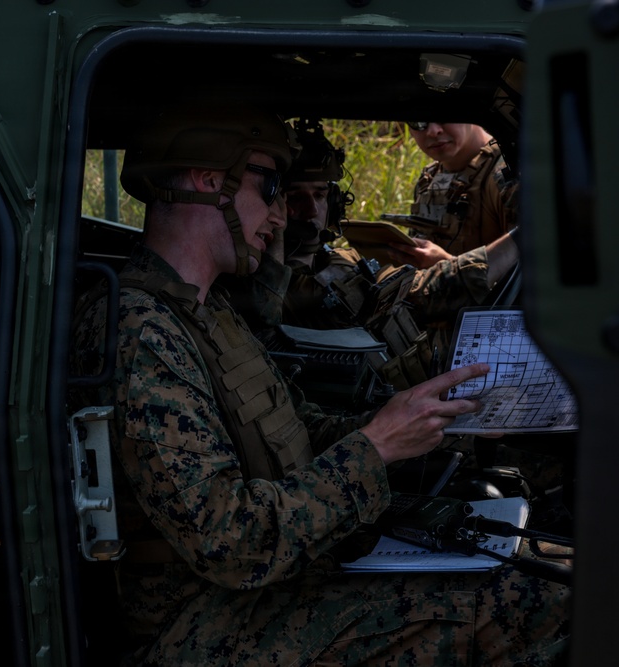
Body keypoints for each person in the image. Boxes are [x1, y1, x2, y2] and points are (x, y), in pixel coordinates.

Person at [69, 105, 569, 665]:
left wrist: (427, 424)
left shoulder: (204, 311)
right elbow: (230, 542)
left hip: (272, 576)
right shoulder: (141, 330)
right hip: (198, 620)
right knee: (540, 599)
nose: (281, 217)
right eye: (273, 187)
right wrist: (375, 447)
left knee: (548, 564)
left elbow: (301, 426)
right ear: (209, 182)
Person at [225, 119, 521, 388]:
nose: (311, 210)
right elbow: (420, 292)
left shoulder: (342, 260)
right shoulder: (254, 277)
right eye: (292, 197)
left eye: (319, 194)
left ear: (336, 201)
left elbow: (414, 287)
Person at [403, 121, 518, 266]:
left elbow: (528, 273)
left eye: (444, 115)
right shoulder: (430, 177)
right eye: (418, 122)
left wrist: (446, 265)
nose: (433, 131)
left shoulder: (508, 174)